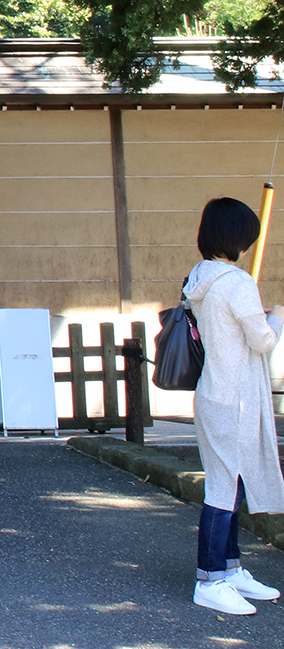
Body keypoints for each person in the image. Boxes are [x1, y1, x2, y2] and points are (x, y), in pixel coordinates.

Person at [183, 197, 284, 615]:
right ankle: (209, 578)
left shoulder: (199, 276)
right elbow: (262, 340)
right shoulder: (239, 282)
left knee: (229, 483)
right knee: (223, 490)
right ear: (239, 239)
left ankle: (230, 568)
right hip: (236, 399)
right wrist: (275, 317)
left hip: (214, 394)